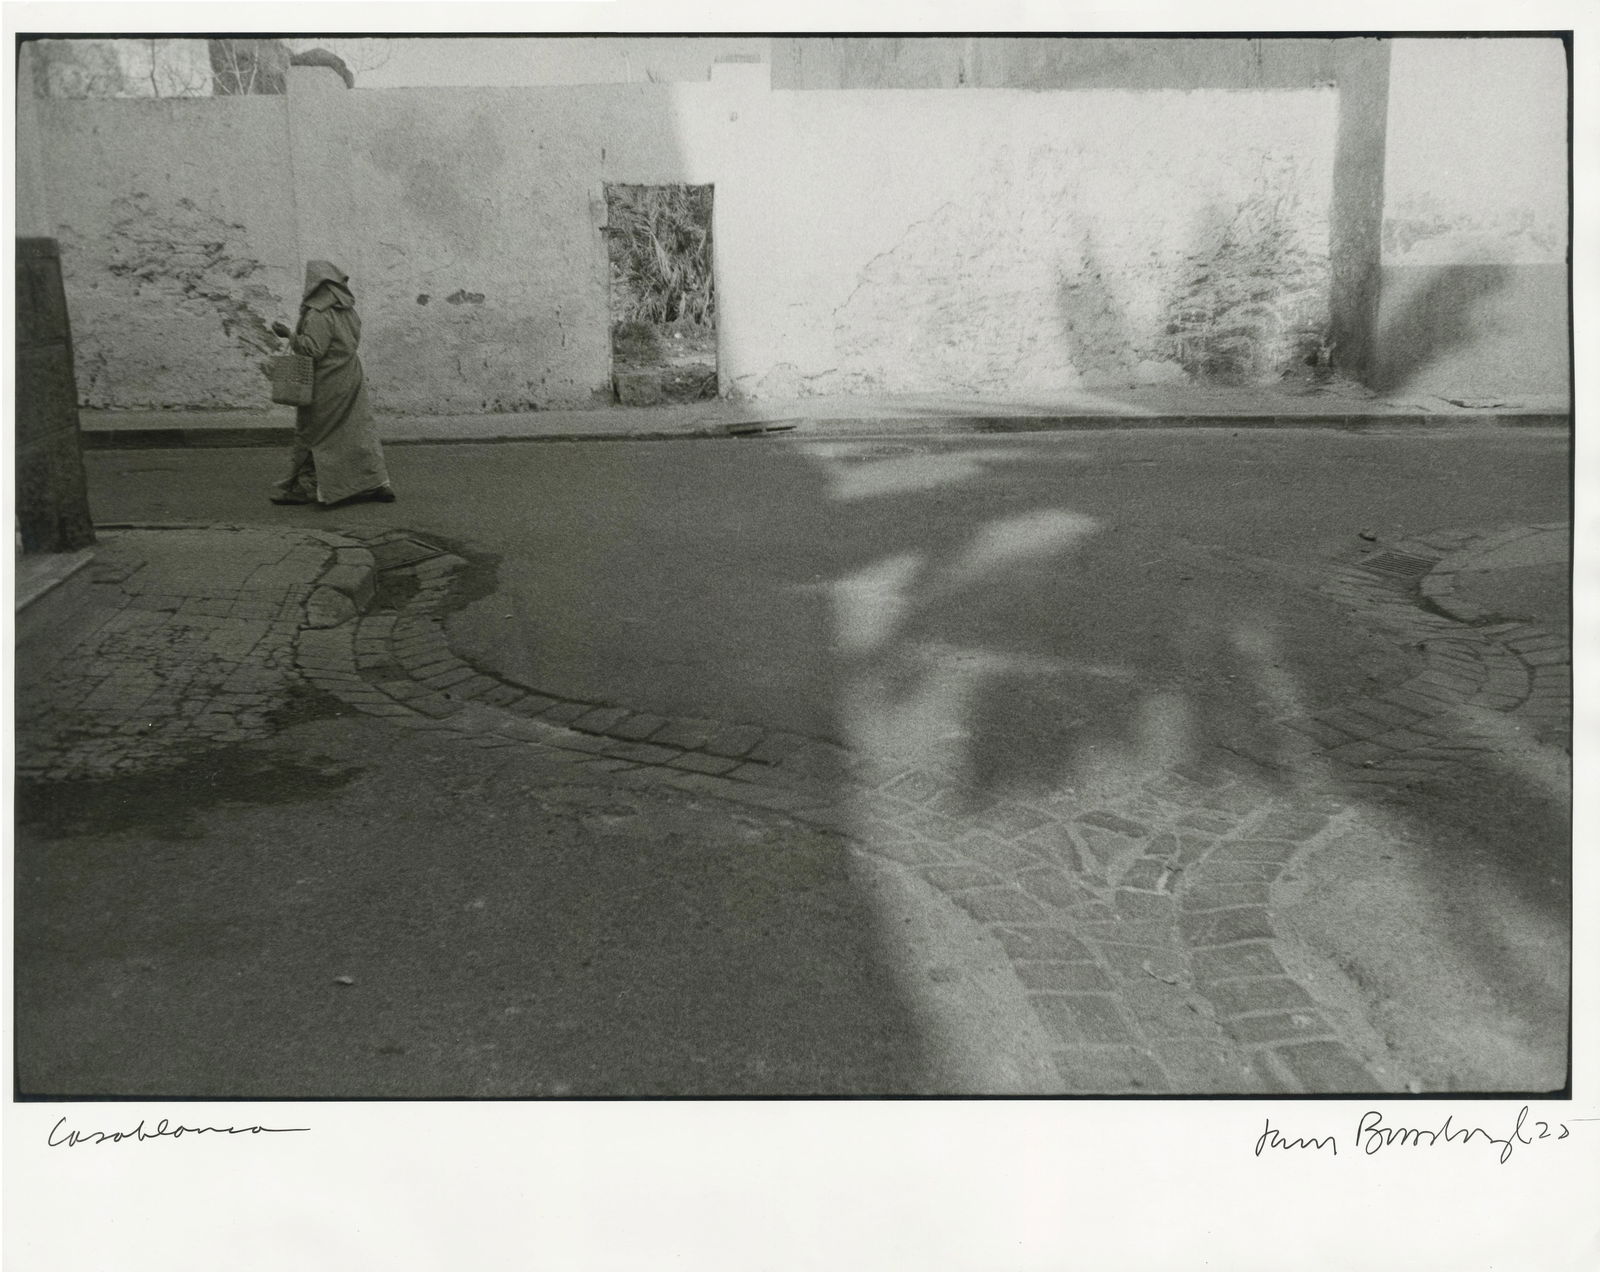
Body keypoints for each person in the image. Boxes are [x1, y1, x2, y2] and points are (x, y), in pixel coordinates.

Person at [269, 260, 395, 507]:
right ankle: (377, 482)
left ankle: (306, 487)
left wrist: (289, 335)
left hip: (327, 382)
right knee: (357, 432)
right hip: (351, 377)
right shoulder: (348, 310)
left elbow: (313, 350)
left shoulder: (319, 313)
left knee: (314, 433)